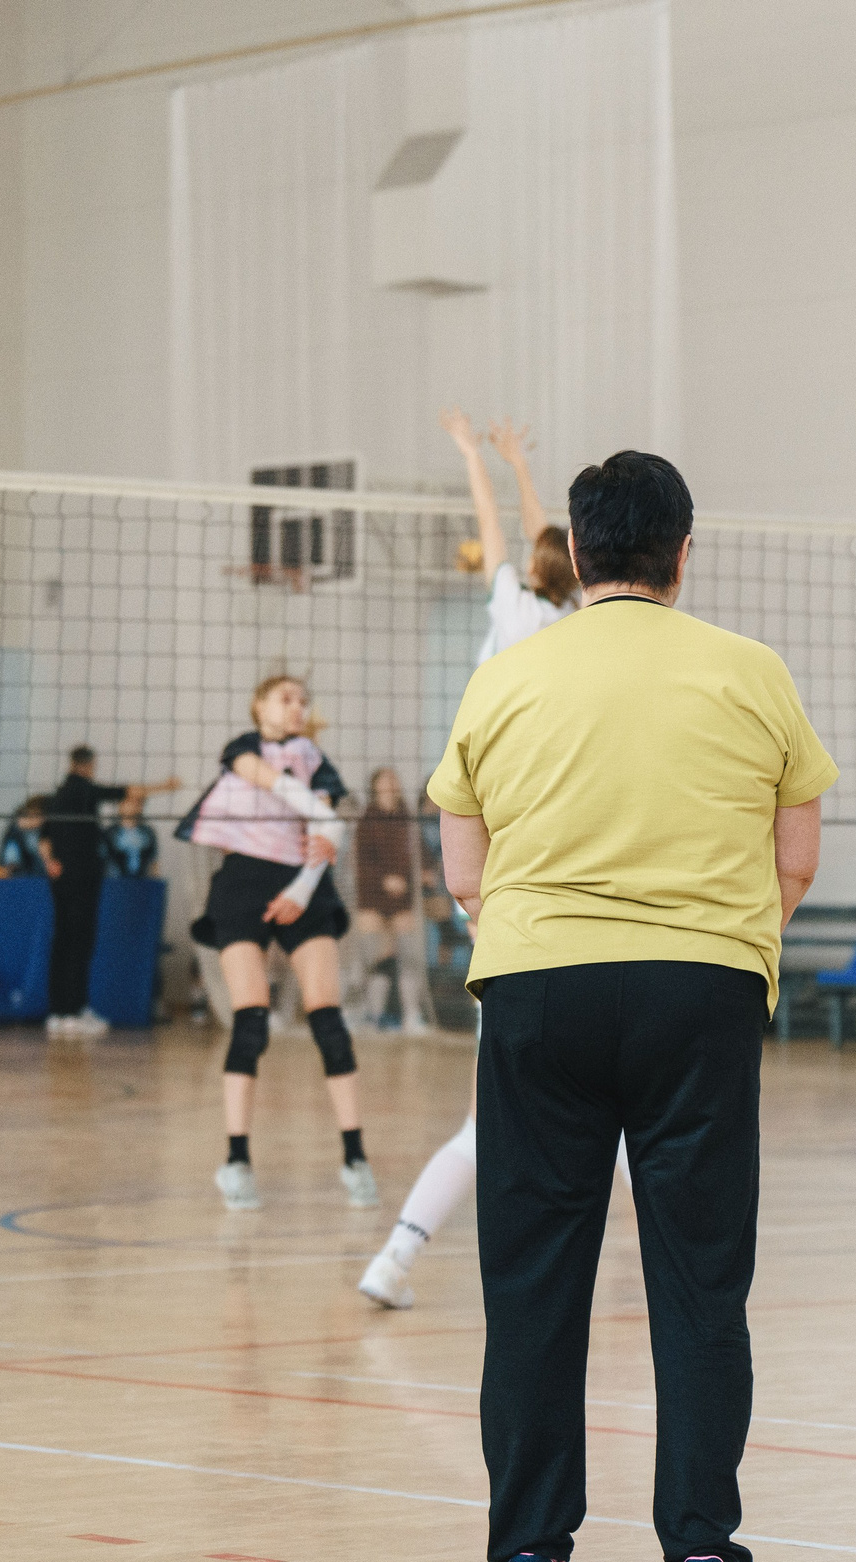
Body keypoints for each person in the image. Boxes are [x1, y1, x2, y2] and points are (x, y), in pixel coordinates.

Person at [430, 449, 834, 1562]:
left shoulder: (508, 676)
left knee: (534, 1283)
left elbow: (464, 871)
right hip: (698, 993)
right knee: (702, 1281)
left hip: (538, 991)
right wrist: (720, 937)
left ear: (580, 547)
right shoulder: (749, 671)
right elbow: (796, 856)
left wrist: (545, 929)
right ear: (683, 552)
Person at [358, 412, 584, 1309]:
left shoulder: (515, 606)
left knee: (501, 1119)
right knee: (598, 1117)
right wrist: (519, 460)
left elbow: (514, 535)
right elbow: (542, 538)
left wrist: (478, 462)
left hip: (499, 866)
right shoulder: (574, 626)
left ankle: (397, 1256)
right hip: (543, 861)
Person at [174, 675, 368, 1212]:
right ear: (258, 704)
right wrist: (325, 819)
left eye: (305, 699)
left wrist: (304, 887)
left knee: (328, 1021)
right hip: (243, 884)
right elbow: (310, 807)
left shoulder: (318, 760)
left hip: (304, 885)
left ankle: (356, 1159)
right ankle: (236, 1161)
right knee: (251, 1020)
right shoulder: (242, 750)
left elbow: (329, 833)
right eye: (285, 697)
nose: (297, 706)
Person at [44, 745, 180, 1038]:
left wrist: (51, 862)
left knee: (62, 941)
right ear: (89, 765)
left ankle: (58, 1013)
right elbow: (129, 791)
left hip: (62, 881)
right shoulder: (83, 790)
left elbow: (45, 838)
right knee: (79, 943)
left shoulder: (56, 798)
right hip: (81, 878)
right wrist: (166, 787)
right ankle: (74, 1011)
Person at [447, 408, 579, 664]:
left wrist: (472, 454)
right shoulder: (574, 611)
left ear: (533, 566)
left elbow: (489, 523)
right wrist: (519, 463)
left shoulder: (514, 606)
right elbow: (547, 543)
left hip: (500, 703)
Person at [349, 767, 431, 1034]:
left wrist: (421, 874)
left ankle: (412, 1016)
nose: (391, 783)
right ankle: (372, 1015)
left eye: (393, 778)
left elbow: (420, 853)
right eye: (385, 779)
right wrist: (384, 879)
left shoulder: (408, 817)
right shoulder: (366, 819)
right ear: (375, 786)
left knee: (408, 956)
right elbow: (361, 861)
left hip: (403, 897)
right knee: (375, 956)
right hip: (372, 896)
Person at [0, 799, 52, 878]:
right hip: (21, 873)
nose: (32, 819)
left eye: (36, 815)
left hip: (39, 873)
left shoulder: (46, 831)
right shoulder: (15, 833)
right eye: (29, 815)